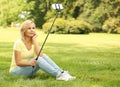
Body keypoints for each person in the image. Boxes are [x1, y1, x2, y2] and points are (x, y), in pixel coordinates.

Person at [9, 20, 76, 81]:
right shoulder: (18, 42)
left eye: (33, 28)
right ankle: (58, 75)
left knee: (43, 56)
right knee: (38, 59)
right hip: (16, 71)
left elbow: (40, 55)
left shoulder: (33, 42)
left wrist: (35, 41)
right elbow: (18, 62)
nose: (32, 30)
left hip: (28, 68)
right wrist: (30, 63)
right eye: (29, 28)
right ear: (24, 30)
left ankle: (62, 72)